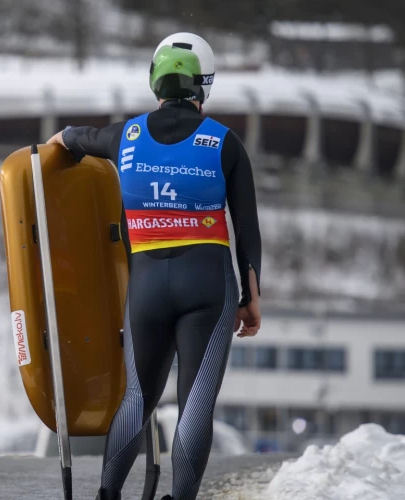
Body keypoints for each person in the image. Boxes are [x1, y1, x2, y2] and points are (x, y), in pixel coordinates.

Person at [46, 32, 262, 500]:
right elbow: (246, 228)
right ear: (204, 86)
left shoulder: (124, 136)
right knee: (195, 404)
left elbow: (69, 139)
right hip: (207, 285)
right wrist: (251, 298)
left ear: (155, 82)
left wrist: (58, 144)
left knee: (136, 399)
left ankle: (106, 494)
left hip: (146, 286)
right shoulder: (224, 143)